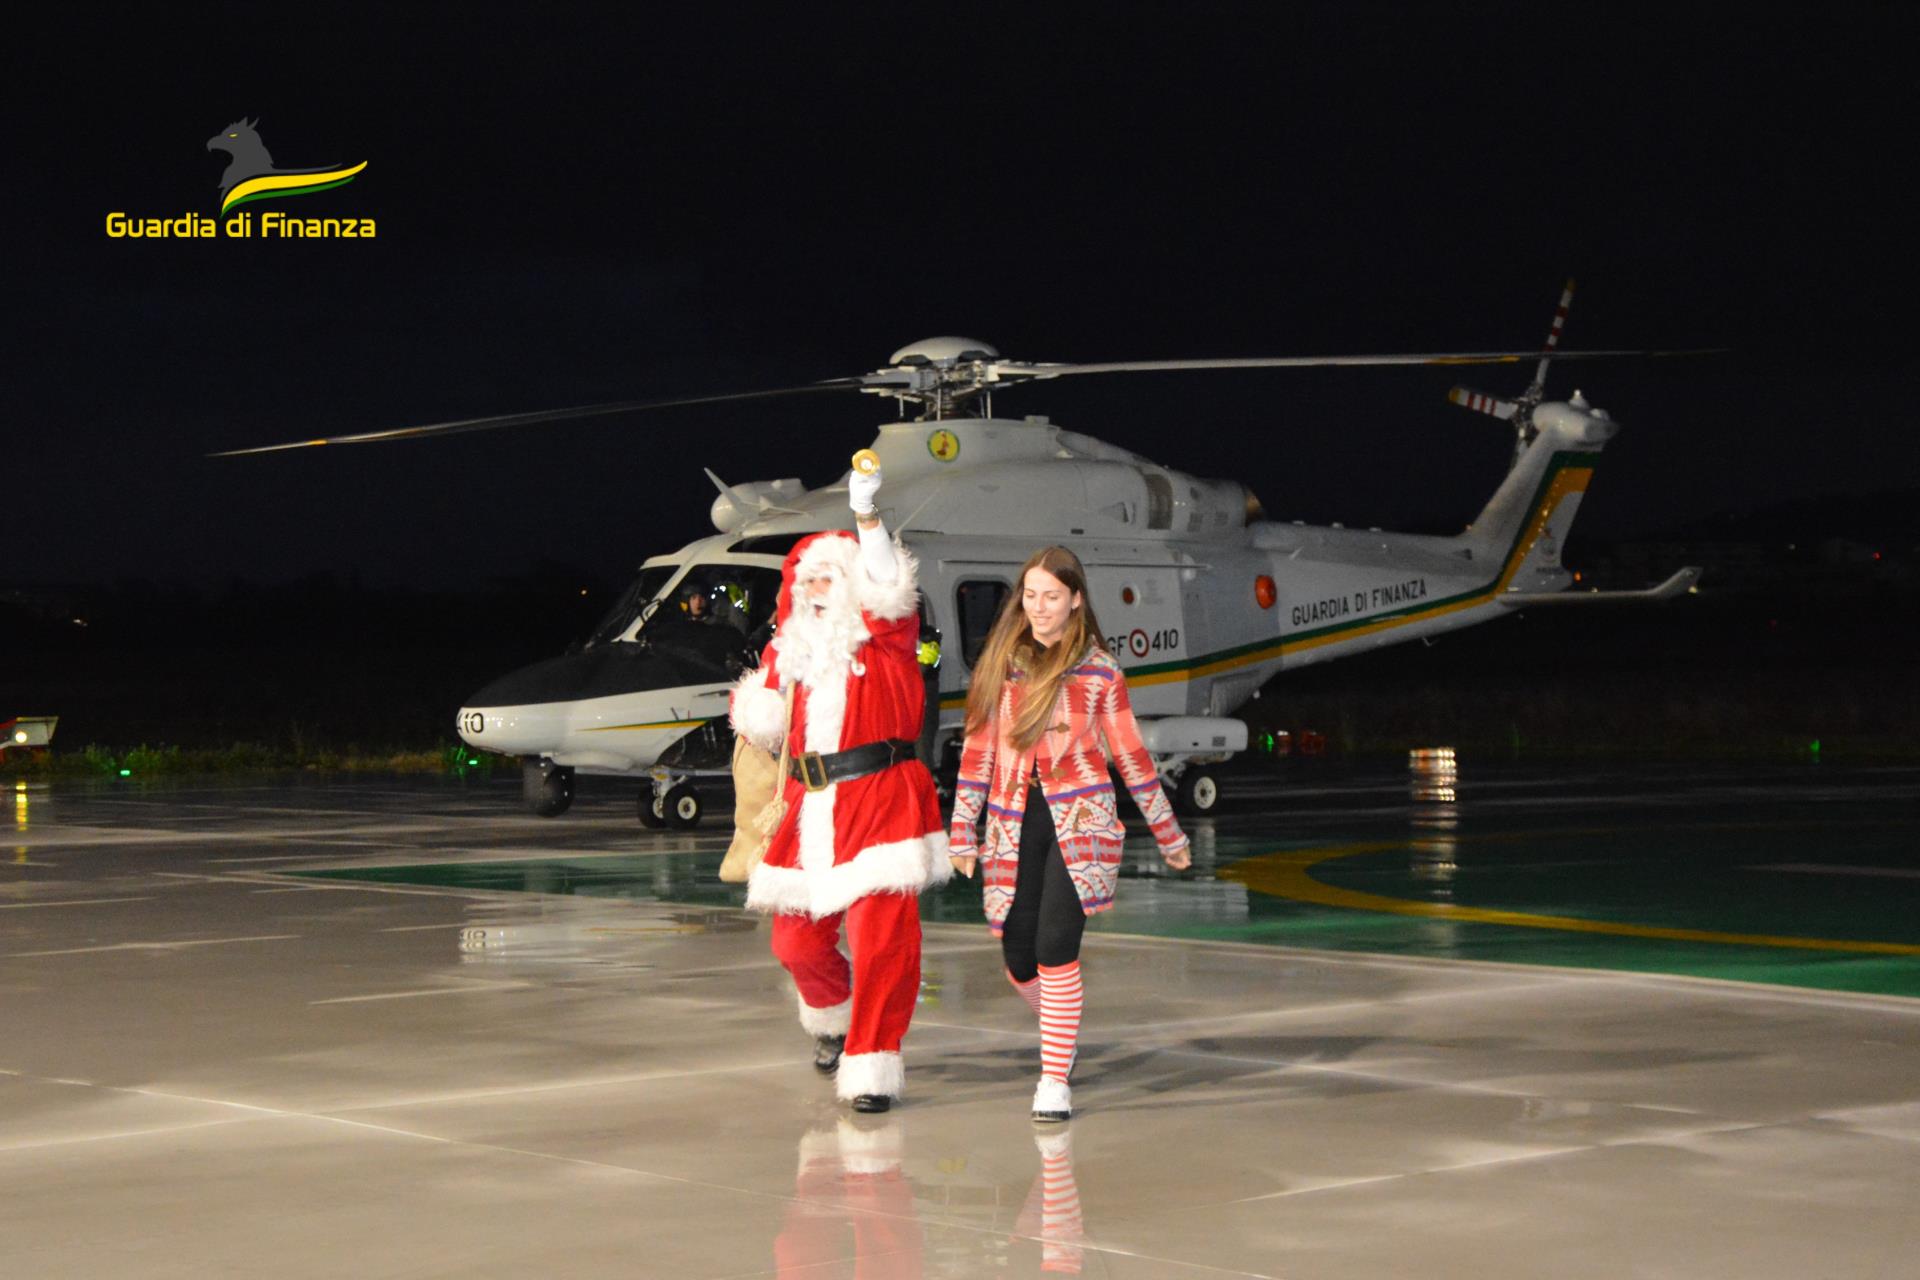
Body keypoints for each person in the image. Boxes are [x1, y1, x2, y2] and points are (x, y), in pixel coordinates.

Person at [729, 463, 949, 1114]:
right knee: (794, 941)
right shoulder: (788, 652)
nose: (817, 587)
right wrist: (758, 709)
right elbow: (761, 713)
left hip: (879, 798)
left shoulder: (885, 636)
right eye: (808, 577)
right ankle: (832, 1016)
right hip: (804, 805)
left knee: (883, 943)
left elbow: (889, 585)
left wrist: (867, 519)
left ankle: (874, 1060)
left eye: (830, 576)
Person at [947, 546, 1191, 1122]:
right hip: (1012, 821)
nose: (1038, 608)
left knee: (1056, 950)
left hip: (1082, 822)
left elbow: (1131, 756)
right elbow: (977, 754)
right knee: (1018, 957)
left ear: (1076, 600)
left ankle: (1053, 1078)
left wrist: (1169, 833)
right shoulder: (1002, 666)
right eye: (1029, 596)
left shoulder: (1101, 672)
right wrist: (962, 831)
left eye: (1050, 597)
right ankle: (1063, 1027)